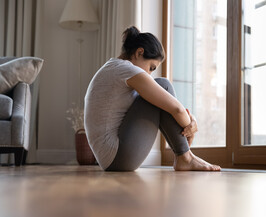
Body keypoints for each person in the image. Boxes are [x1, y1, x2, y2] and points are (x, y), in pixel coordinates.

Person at [84, 26, 221, 172]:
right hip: (117, 157)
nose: (149, 74)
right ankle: (185, 157)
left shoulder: (113, 67)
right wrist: (191, 127)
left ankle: (184, 156)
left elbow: (174, 108)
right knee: (163, 85)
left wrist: (188, 118)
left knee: (160, 93)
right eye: (151, 67)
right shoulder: (125, 69)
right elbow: (177, 109)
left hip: (110, 158)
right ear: (139, 52)